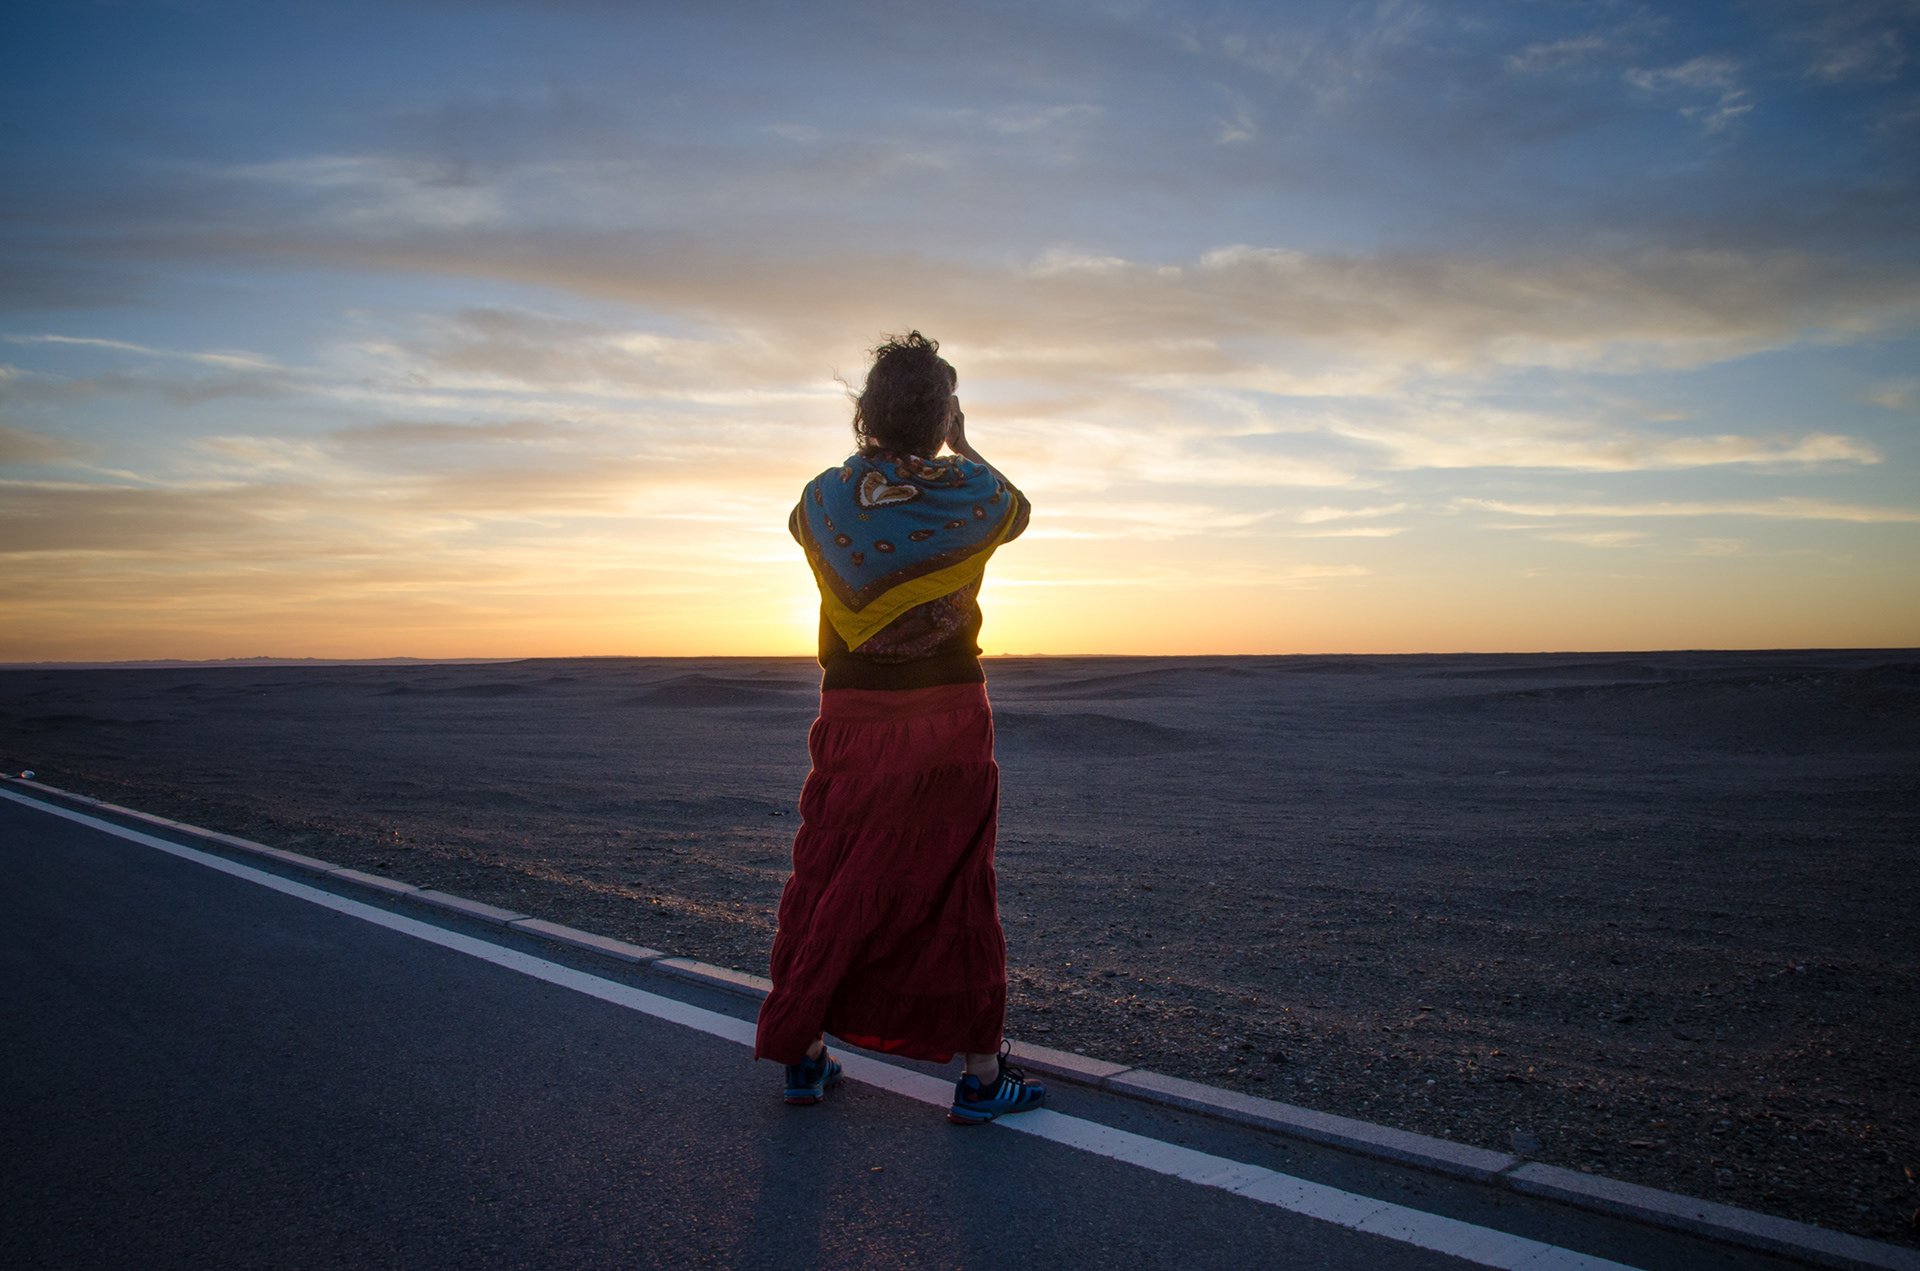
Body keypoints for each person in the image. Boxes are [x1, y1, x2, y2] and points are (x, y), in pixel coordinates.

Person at [753, 330, 1046, 1126]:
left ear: (867, 412)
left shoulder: (824, 497)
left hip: (851, 715)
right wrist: (963, 444)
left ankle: (804, 1053)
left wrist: (874, 465)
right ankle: (980, 1077)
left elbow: (797, 526)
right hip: (947, 719)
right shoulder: (968, 493)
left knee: (832, 874)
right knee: (953, 883)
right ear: (942, 415)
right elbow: (1018, 510)